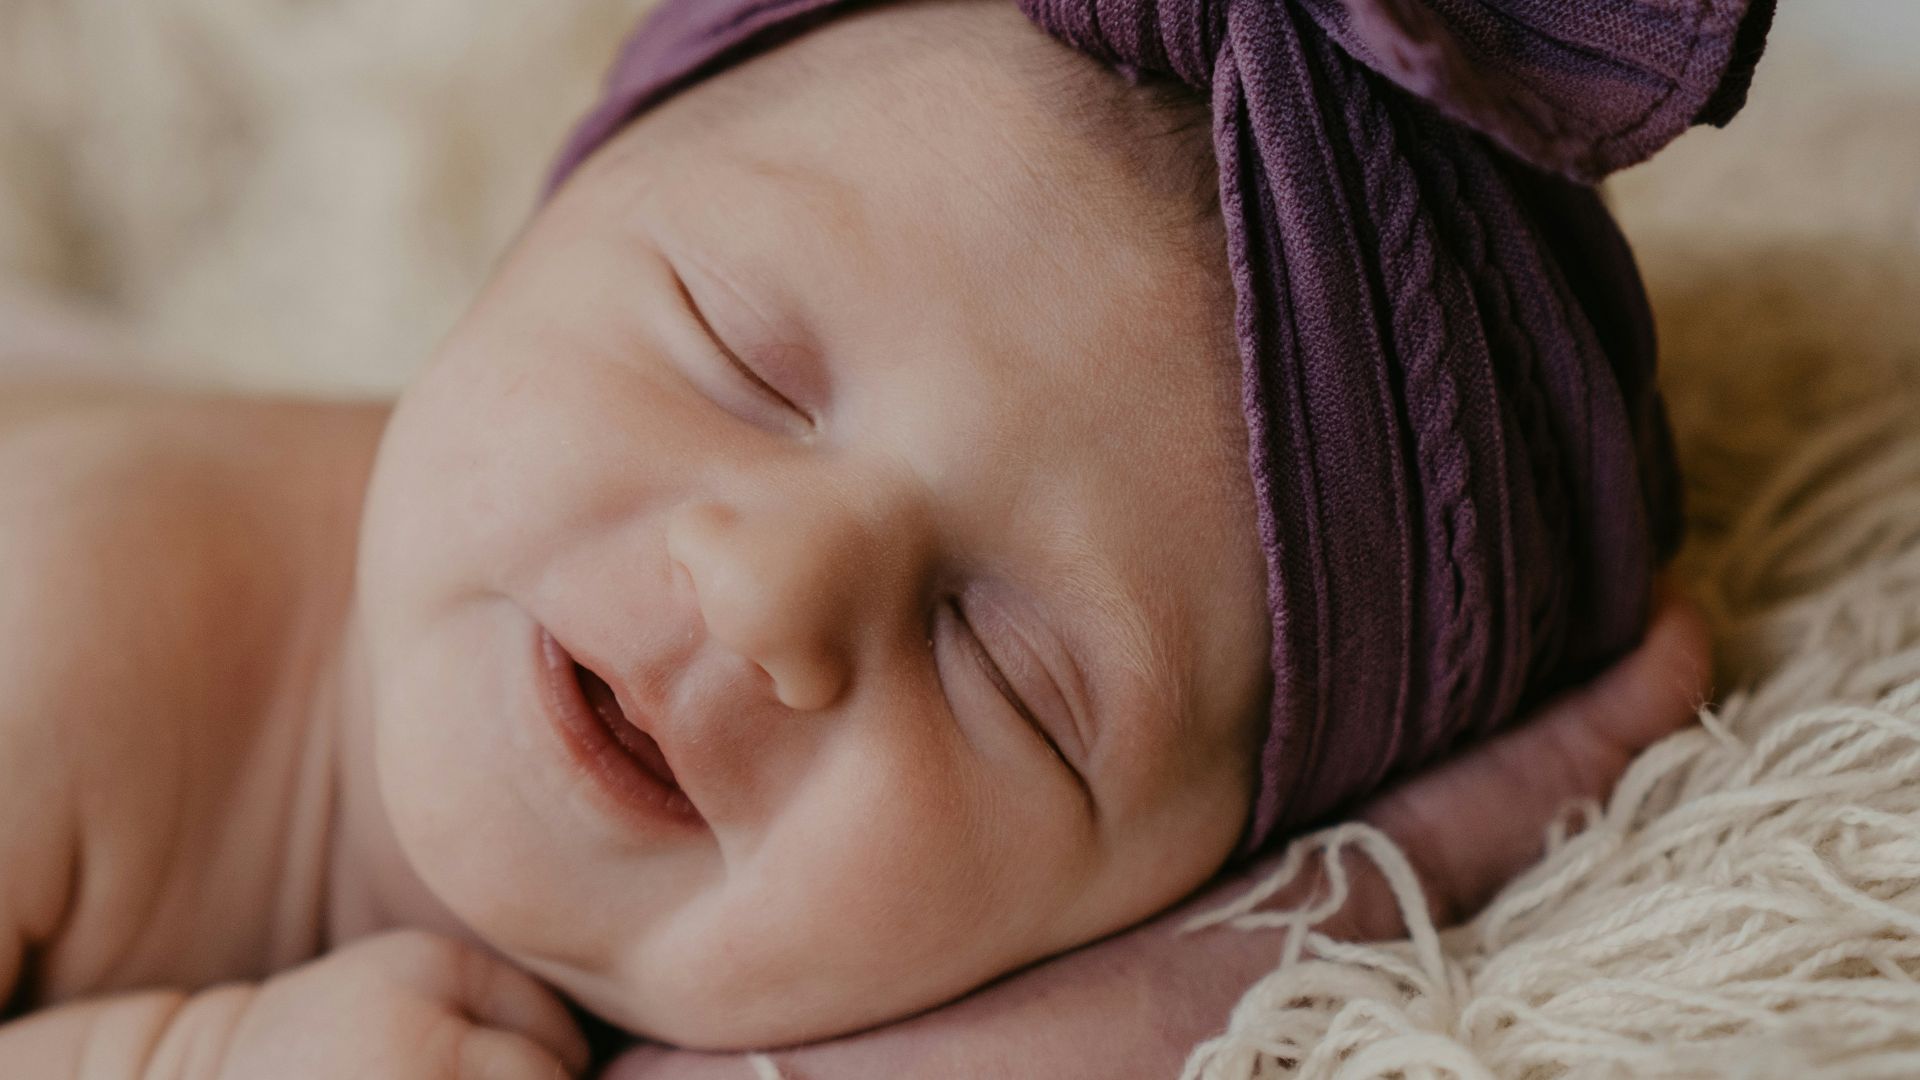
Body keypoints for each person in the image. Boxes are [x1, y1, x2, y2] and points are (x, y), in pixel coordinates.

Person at [0, 0, 1762, 1073]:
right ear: (557, 202)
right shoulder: (78, 619)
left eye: (1009, 674)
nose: (768, 585)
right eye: (733, 352)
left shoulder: (814, 955)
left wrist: (1426, 853)